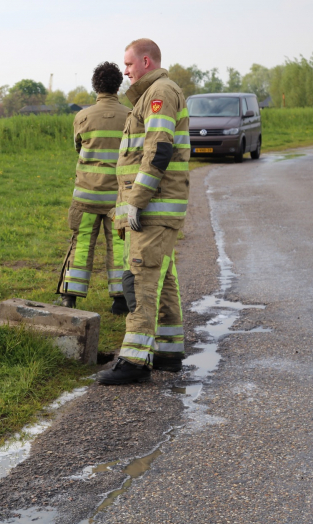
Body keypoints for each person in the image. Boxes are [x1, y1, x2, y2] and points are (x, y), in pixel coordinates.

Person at [97, 38, 190, 385]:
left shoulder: (160, 94)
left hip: (153, 207)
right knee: (162, 278)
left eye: (130, 65)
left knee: (141, 279)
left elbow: (158, 149)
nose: (125, 72)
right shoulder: (154, 95)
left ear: (147, 62)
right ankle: (168, 352)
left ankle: (134, 362)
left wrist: (137, 199)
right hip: (158, 206)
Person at [56, 62, 130, 315]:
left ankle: (70, 298)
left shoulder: (82, 117)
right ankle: (120, 300)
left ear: (95, 86)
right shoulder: (130, 116)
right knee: (119, 246)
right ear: (118, 85)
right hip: (117, 198)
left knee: (82, 244)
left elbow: (78, 149)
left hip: (86, 195)